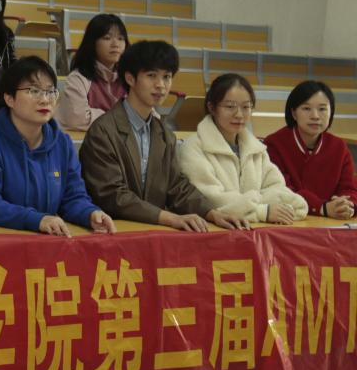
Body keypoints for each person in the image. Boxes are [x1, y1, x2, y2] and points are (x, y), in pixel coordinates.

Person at [79, 41, 250, 232]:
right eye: (151, 75)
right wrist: (169, 218)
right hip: (111, 231)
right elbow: (112, 196)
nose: (161, 85)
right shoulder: (103, 131)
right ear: (130, 78)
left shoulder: (164, 134)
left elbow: (177, 187)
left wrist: (212, 213)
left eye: (167, 77)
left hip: (152, 232)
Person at [0, 57, 116, 236]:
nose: (45, 100)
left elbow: (73, 197)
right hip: (1, 242)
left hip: (46, 241)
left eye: (50, 92)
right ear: (9, 98)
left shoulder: (62, 143)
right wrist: (37, 220)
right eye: (34, 91)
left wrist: (90, 214)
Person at [178, 73, 308, 224]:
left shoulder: (257, 150)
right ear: (211, 107)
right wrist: (262, 211)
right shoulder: (193, 148)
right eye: (230, 106)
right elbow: (209, 201)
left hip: (255, 231)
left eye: (246, 107)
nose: (239, 114)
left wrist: (251, 206)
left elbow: (279, 190)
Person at [266, 80, 357, 219]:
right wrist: (322, 207)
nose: (315, 116)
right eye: (306, 108)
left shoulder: (339, 147)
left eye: (322, 109)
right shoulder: (274, 144)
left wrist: (346, 206)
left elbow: (349, 188)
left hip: (332, 222)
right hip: (292, 221)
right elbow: (281, 190)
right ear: (294, 113)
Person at [55, 13, 128, 131]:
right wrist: (120, 118)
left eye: (120, 38)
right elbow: (77, 119)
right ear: (92, 42)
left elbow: (146, 116)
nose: (116, 44)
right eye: (107, 38)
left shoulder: (130, 78)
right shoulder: (79, 77)